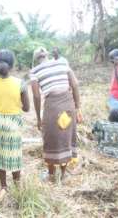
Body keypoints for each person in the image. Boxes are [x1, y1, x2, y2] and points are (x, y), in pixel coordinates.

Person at [30, 47, 82, 182]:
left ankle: (51, 175)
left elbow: (36, 96)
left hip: (52, 107)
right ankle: (64, 174)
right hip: (68, 104)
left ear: (36, 58)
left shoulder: (34, 71)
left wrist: (38, 118)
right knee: (66, 138)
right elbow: (75, 84)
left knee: (51, 140)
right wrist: (77, 107)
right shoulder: (63, 63)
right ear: (47, 55)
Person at [0, 49, 30, 195]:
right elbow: (27, 108)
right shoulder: (20, 83)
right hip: (13, 125)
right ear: (12, 64)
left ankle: (3, 187)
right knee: (14, 156)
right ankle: (17, 186)